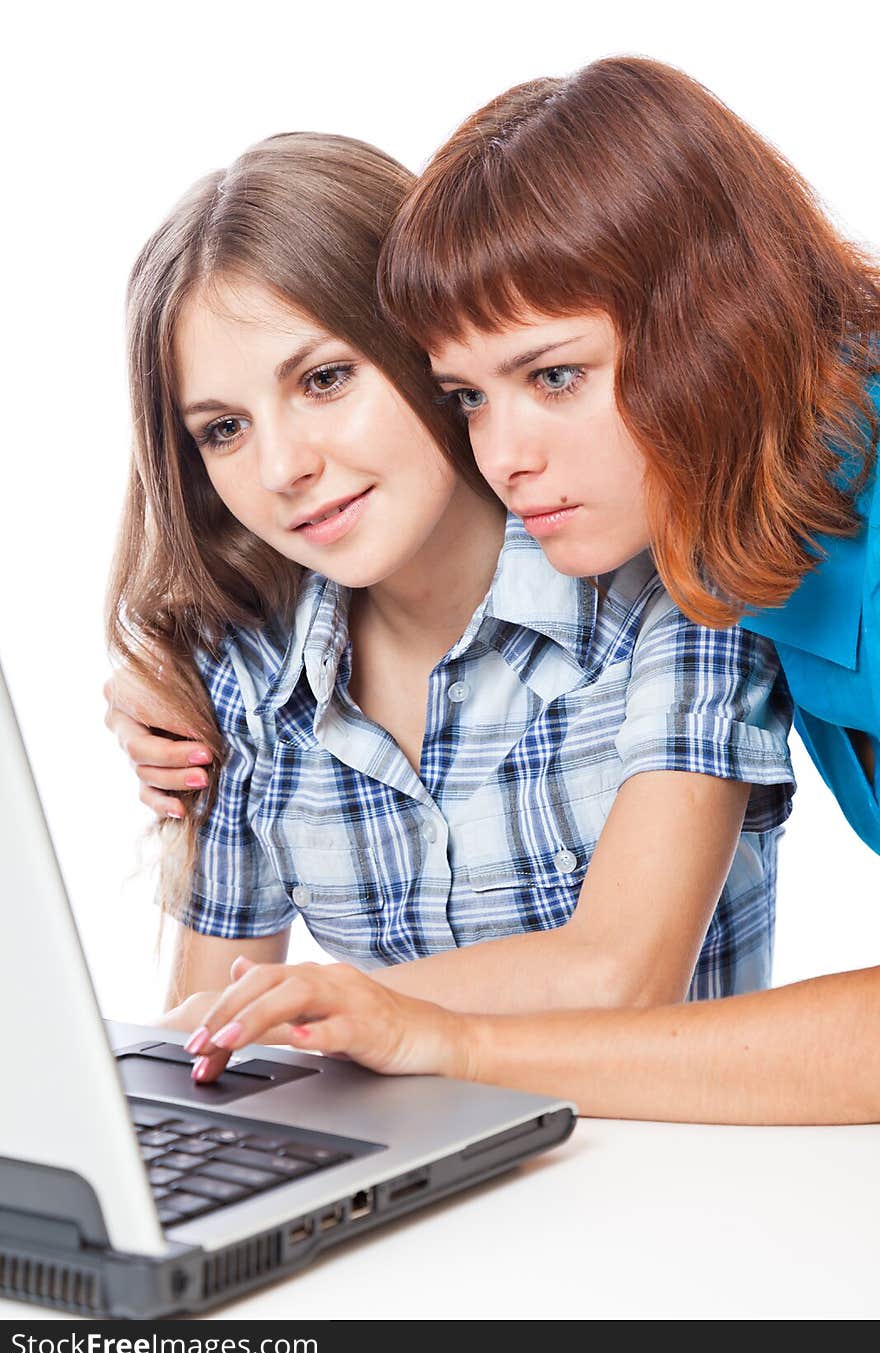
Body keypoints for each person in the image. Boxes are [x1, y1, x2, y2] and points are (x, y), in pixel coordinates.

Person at [178, 59, 880, 1121]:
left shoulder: (703, 578)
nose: (504, 457)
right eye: (466, 396)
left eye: (555, 376)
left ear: (717, 313)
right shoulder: (745, 560)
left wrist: (438, 1035)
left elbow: (636, 976)